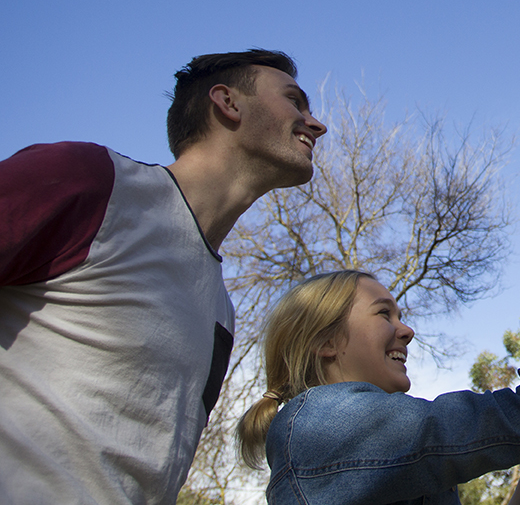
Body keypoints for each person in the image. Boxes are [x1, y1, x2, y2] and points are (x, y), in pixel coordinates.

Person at [0, 49, 328, 505]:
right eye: (295, 101)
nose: (316, 124)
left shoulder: (221, 312)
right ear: (227, 102)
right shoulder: (93, 181)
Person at [238, 226, 520, 505]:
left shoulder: (361, 442)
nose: (407, 331)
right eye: (384, 314)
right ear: (325, 342)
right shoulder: (323, 424)